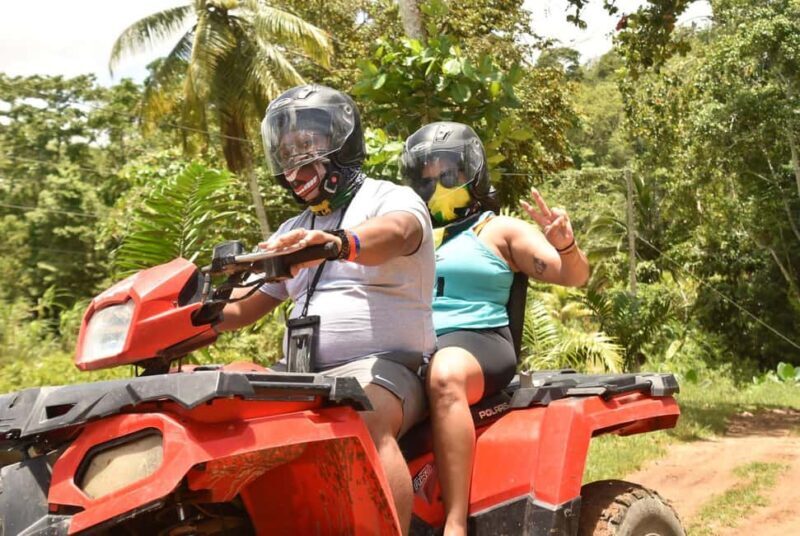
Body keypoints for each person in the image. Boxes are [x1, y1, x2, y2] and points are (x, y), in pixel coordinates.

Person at [216, 84, 436, 534]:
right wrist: (192, 314)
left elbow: (398, 233)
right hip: (299, 374)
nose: (292, 155)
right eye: (284, 147)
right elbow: (243, 309)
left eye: (305, 143)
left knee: (363, 414)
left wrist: (339, 245)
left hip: (389, 370)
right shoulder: (293, 228)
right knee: (219, 404)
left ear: (341, 141)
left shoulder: (388, 199)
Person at [401, 121, 590, 536]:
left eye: (447, 174)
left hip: (477, 342)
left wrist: (565, 245)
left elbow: (571, 276)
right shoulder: (411, 234)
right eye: (427, 177)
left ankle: (454, 523)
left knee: (446, 376)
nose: (438, 185)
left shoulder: (498, 230)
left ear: (472, 174)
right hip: (414, 345)